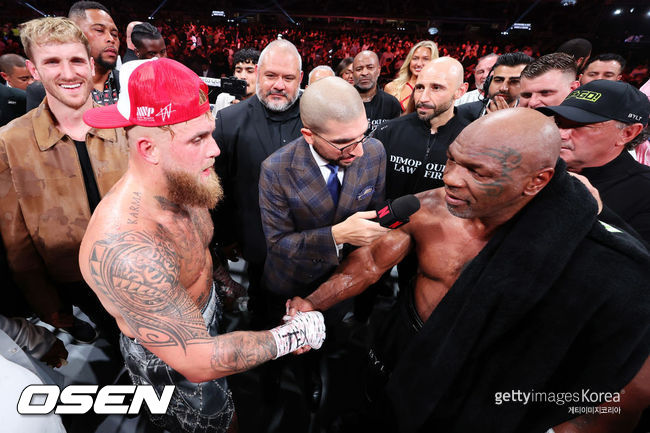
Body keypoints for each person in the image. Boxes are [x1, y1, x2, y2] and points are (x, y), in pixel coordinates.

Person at [289, 108, 650, 433]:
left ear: (536, 181)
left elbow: (618, 388)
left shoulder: (604, 265)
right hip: (406, 358)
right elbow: (368, 264)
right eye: (452, 160)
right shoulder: (430, 208)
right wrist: (312, 303)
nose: (451, 178)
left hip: (493, 392)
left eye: (477, 171)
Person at [79, 57, 326, 433]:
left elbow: (200, 248)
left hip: (203, 318)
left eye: (209, 132)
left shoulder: (185, 181)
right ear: (148, 148)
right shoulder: (127, 250)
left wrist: (222, 281)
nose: (215, 149)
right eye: (198, 138)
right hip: (172, 357)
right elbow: (198, 360)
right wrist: (292, 335)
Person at [0, 17, 128, 343]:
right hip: (74, 281)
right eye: (52, 62)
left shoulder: (126, 124)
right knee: (118, 343)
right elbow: (17, 242)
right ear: (34, 69)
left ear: (89, 63)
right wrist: (46, 301)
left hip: (136, 271)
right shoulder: (10, 142)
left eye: (75, 60)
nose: (68, 73)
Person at [260, 76, 387, 303]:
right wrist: (336, 236)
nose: (359, 151)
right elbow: (278, 244)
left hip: (343, 284)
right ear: (309, 135)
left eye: (363, 135)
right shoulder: (276, 169)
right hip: (291, 287)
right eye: (344, 142)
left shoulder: (374, 152)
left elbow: (375, 217)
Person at [212, 39, 303, 327]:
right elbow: (220, 186)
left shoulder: (319, 118)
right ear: (258, 74)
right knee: (262, 311)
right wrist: (225, 239)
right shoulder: (229, 120)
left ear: (300, 79)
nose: (279, 85)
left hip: (310, 247)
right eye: (271, 76)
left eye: (288, 78)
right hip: (255, 245)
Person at [538, 79, 650, 244]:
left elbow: (641, 262)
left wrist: (599, 213)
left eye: (580, 125)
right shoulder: (537, 167)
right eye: (559, 122)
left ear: (627, 133)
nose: (562, 134)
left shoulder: (645, 192)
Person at [375, 57, 469, 199]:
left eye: (436, 88)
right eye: (419, 87)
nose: (423, 98)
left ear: (460, 91)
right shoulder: (388, 131)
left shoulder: (471, 140)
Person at [69, 1, 120, 105]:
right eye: (99, 30)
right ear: (74, 35)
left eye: (114, 34)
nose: (111, 39)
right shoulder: (47, 89)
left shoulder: (129, 82)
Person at [456, 52, 532, 122]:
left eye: (514, 82)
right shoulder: (461, 112)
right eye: (498, 80)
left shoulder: (532, 115)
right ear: (489, 82)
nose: (503, 88)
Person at [384, 40, 439, 111]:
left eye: (425, 59)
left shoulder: (439, 91)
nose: (419, 64)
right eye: (415, 58)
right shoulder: (392, 87)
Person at [352, 50, 401, 131]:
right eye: (359, 69)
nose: (364, 73)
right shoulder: (342, 103)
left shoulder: (391, 103)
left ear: (378, 71)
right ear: (353, 73)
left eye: (370, 67)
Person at [212, 48, 260, 114]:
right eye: (238, 71)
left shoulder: (266, 104)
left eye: (250, 71)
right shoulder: (223, 99)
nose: (243, 76)